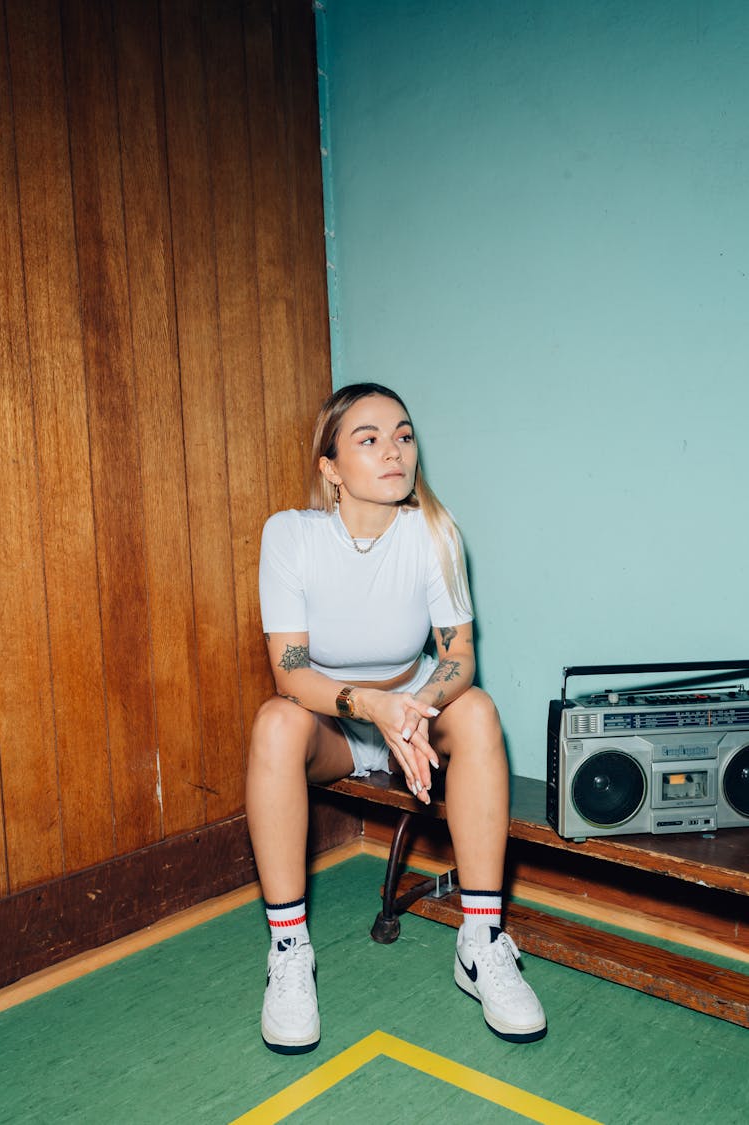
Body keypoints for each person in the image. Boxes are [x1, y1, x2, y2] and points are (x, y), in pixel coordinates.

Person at [246, 382, 546, 1054]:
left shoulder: (433, 532)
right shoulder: (290, 535)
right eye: (369, 437)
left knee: (478, 712)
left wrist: (411, 710)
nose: (394, 450)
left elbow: (458, 657)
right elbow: (292, 674)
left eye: (404, 435)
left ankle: (480, 939)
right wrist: (371, 707)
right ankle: (290, 949)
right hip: (335, 722)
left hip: (413, 709)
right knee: (273, 721)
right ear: (330, 467)